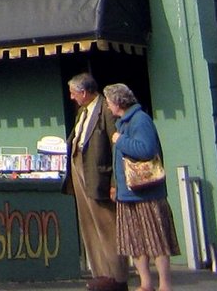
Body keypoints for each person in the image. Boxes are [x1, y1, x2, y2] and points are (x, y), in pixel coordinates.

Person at [106, 83, 178, 291]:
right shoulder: (122, 123)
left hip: (146, 193)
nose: (108, 107)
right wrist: (116, 186)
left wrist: (120, 141)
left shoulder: (140, 121)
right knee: (135, 241)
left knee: (156, 240)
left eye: (110, 102)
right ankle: (145, 283)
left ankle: (165, 284)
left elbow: (146, 149)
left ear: (118, 102)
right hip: (128, 193)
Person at [67, 73, 129, 291]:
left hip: (98, 174)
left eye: (74, 93)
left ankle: (117, 275)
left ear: (84, 92)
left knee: (107, 225)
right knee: (90, 225)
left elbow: (116, 146)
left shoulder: (105, 110)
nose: (72, 97)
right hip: (79, 170)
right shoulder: (82, 112)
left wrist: (115, 181)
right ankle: (101, 273)